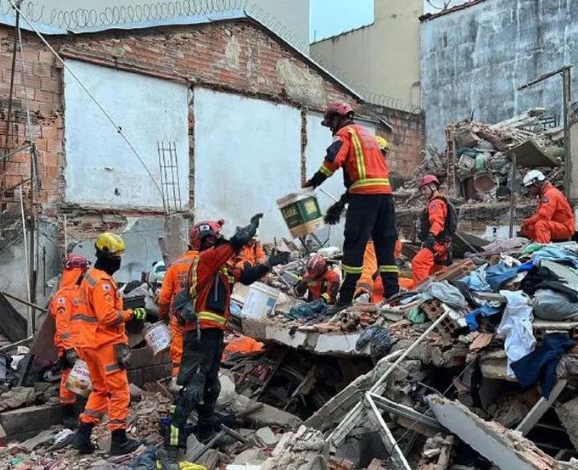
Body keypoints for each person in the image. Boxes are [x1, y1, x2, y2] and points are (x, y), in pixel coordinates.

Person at [161, 215, 285, 465]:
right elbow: (232, 246)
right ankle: (171, 444)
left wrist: (269, 262)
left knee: (211, 386)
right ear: (203, 242)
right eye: (211, 239)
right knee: (194, 389)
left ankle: (206, 429)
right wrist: (247, 231)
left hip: (213, 333)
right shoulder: (205, 261)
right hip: (198, 333)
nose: (215, 243)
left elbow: (247, 276)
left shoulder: (222, 268)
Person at [303, 101, 398, 313]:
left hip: (364, 197)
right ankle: (394, 296)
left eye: (330, 124)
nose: (331, 129)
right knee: (385, 248)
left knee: (354, 247)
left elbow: (333, 160)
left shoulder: (346, 133)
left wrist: (314, 181)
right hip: (385, 196)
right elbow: (370, 170)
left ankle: (345, 300)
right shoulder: (367, 136)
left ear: (337, 118)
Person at [71, 232, 148, 455]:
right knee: (119, 391)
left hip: (89, 344)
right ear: (106, 256)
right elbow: (107, 316)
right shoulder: (103, 283)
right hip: (105, 344)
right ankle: (119, 439)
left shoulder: (89, 277)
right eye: (116, 257)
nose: (119, 261)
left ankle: (82, 435)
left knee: (100, 389)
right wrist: (132, 314)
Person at [50, 254, 88, 429]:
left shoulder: (80, 292)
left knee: (81, 378)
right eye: (82, 271)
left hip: (83, 343)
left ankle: (82, 411)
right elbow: (62, 324)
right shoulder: (63, 296)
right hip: (71, 346)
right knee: (68, 378)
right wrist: (69, 348)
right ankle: (68, 414)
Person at [158, 233, 204, 377]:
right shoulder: (210, 264)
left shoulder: (176, 266)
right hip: (204, 317)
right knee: (203, 356)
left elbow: (164, 299)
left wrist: (164, 316)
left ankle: (178, 387)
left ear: (188, 246)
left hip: (180, 318)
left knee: (179, 359)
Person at [412, 175, 456, 287]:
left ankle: (422, 293)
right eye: (422, 190)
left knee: (418, 263)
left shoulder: (435, 203)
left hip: (436, 243)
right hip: (443, 245)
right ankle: (437, 295)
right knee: (438, 274)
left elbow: (437, 222)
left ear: (433, 186)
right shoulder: (441, 201)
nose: (423, 193)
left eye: (425, 189)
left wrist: (431, 236)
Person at [520, 170, 576, 243]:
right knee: (527, 229)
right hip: (556, 224)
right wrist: (527, 224)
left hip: (565, 227)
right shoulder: (546, 194)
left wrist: (527, 221)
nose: (529, 190)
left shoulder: (550, 194)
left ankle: (543, 248)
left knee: (541, 225)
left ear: (536, 184)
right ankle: (538, 242)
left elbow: (543, 217)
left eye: (530, 187)